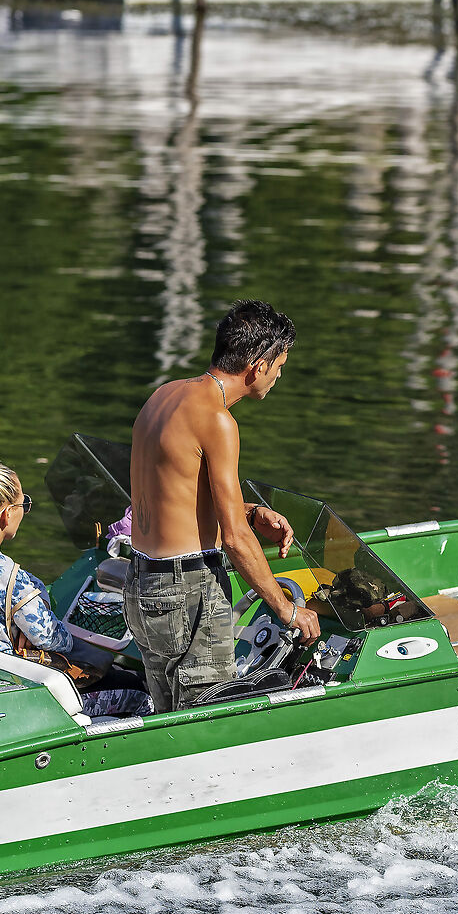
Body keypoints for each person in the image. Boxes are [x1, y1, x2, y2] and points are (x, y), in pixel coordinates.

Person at [124, 300, 321, 712]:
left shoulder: (164, 395)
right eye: (280, 365)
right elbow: (234, 540)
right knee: (208, 724)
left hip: (142, 585)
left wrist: (250, 511)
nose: (279, 374)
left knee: (167, 719)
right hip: (185, 590)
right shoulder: (218, 421)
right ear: (258, 364)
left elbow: (174, 492)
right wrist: (287, 612)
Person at [0, 454, 149, 716]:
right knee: (138, 690)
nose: (25, 511)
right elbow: (50, 637)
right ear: (6, 515)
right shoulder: (2, 572)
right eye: (23, 504)